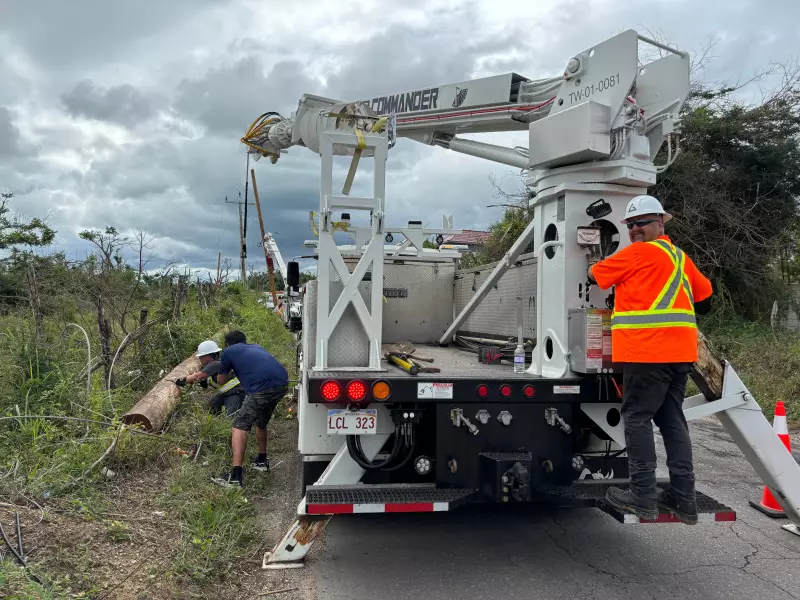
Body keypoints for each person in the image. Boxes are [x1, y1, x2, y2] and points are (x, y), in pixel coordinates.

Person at [587, 195, 713, 524]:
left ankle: (643, 495)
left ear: (660, 223)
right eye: (630, 225)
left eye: (641, 223)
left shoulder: (636, 254)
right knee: (672, 421)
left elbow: (594, 274)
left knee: (637, 419)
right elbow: (704, 296)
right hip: (680, 356)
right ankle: (683, 497)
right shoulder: (680, 257)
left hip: (647, 353)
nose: (634, 230)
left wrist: (593, 255)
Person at [211, 330, 289, 488]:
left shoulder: (228, 352)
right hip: (282, 384)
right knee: (261, 422)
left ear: (227, 344)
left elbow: (221, 381)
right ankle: (261, 461)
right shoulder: (256, 347)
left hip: (261, 389)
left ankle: (235, 477)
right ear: (244, 341)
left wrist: (218, 373)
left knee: (239, 426)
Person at [174, 340, 245, 418]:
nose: (200, 358)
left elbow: (197, 376)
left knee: (231, 417)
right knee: (213, 405)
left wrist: (181, 380)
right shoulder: (214, 365)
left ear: (211, 355)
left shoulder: (215, 364)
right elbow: (205, 385)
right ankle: (216, 424)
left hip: (236, 392)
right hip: (227, 391)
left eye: (202, 356)